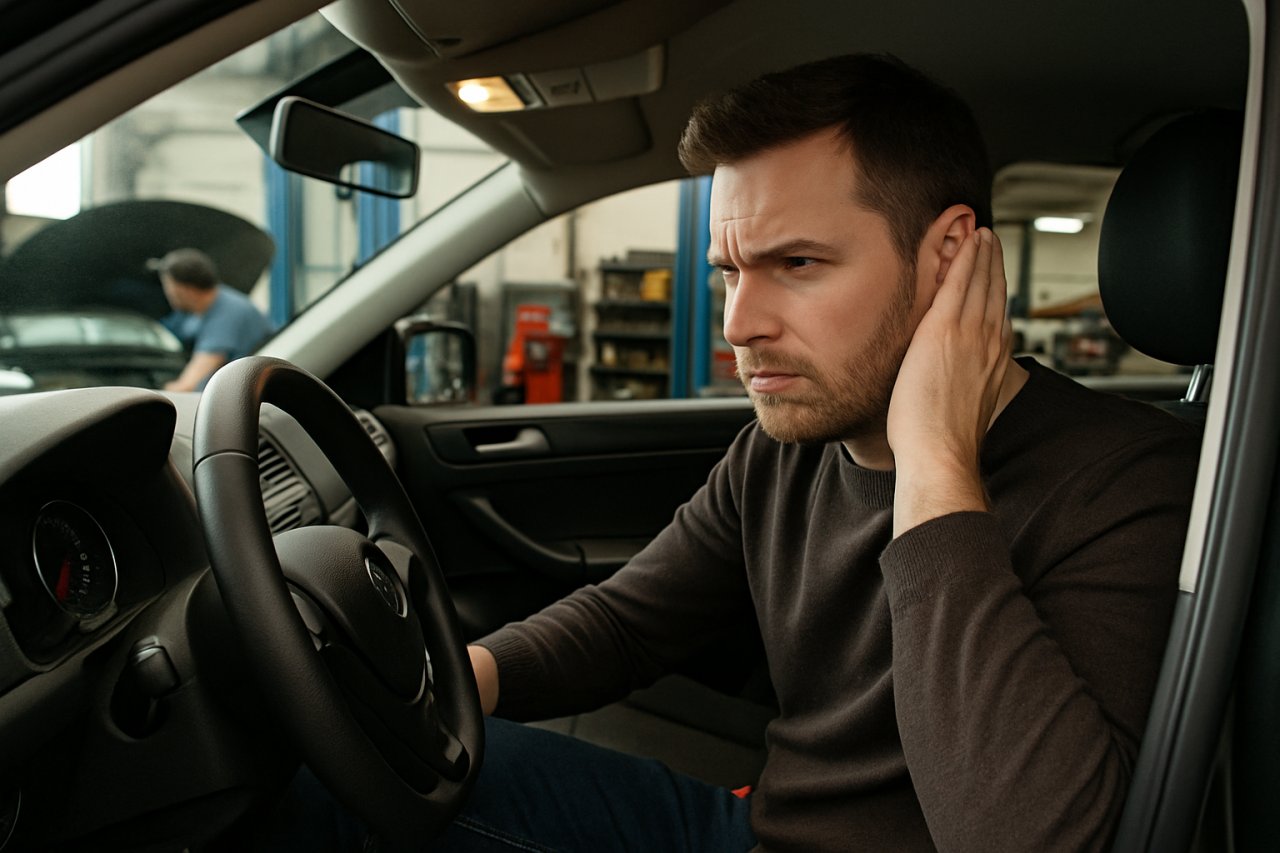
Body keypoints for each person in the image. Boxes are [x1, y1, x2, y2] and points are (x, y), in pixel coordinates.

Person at [261, 53, 1199, 852]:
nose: (740, 324)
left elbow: (1026, 836)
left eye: (797, 263)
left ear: (950, 257)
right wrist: (453, 680)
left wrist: (935, 463)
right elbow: (630, 623)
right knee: (344, 768)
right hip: (752, 830)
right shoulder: (785, 449)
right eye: (729, 271)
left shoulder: (1124, 483)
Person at [153, 247, 275, 391]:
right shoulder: (204, 307)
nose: (167, 293)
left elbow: (187, 385)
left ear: (184, 290)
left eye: (167, 286)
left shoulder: (227, 314)